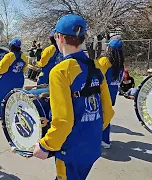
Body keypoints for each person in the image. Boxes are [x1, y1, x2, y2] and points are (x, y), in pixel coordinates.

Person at [33, 14, 114, 180]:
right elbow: (108, 110)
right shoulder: (96, 65)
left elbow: (63, 121)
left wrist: (45, 145)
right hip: (92, 147)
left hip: (70, 151)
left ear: (60, 37)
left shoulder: (60, 71)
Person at [97, 39, 125, 149]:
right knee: (106, 115)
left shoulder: (105, 61)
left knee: (98, 117)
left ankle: (102, 139)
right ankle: (105, 140)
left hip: (103, 93)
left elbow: (97, 75)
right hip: (112, 94)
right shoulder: (121, 64)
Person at [0, 38, 28, 119]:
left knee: (2, 98)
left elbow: (1, 70)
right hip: (19, 80)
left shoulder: (9, 56)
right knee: (15, 98)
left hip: (6, 81)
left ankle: (1, 114)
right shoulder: (24, 56)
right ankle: (14, 113)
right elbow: (24, 69)